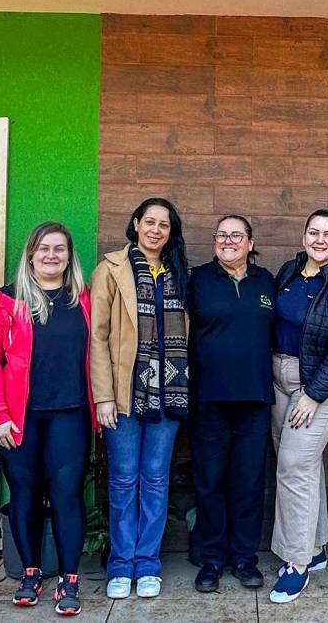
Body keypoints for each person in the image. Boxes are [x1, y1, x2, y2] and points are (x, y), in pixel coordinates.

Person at [0, 221, 95, 616]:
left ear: (69, 256)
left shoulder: (82, 298)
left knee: (66, 494)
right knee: (24, 493)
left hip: (70, 413)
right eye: (44, 248)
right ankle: (30, 573)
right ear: (30, 254)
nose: (51, 255)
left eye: (59, 248)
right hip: (17, 417)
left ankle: (69, 579)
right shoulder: (6, 301)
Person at [90, 198, 190, 600]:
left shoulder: (178, 272)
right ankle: (121, 564)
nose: (156, 230)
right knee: (123, 478)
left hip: (169, 392)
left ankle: (147, 563)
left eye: (164, 225)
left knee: (155, 478)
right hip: (124, 393)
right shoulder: (111, 269)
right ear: (135, 224)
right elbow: (97, 337)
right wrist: (103, 397)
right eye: (149, 222)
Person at [268, 209, 328, 604]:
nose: (320, 240)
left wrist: (313, 394)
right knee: (302, 465)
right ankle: (315, 547)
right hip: (279, 378)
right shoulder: (289, 271)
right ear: (304, 236)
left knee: (293, 465)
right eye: (314, 232)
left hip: (322, 386)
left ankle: (297, 563)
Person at [187, 215, 275, 595]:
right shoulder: (198, 279)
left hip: (255, 397)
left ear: (250, 243)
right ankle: (210, 559)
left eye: (236, 235)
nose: (228, 240)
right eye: (222, 235)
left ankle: (243, 558)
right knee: (210, 481)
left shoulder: (266, 281)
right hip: (208, 397)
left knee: (249, 482)